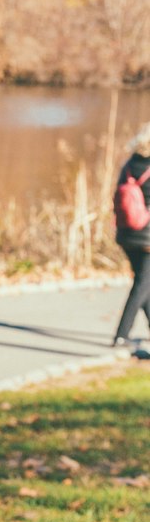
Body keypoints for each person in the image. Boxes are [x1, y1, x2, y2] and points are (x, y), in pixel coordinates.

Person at [112, 123, 150, 351]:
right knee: (142, 285)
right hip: (147, 237)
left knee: (145, 284)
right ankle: (121, 335)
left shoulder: (129, 165)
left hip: (126, 234)